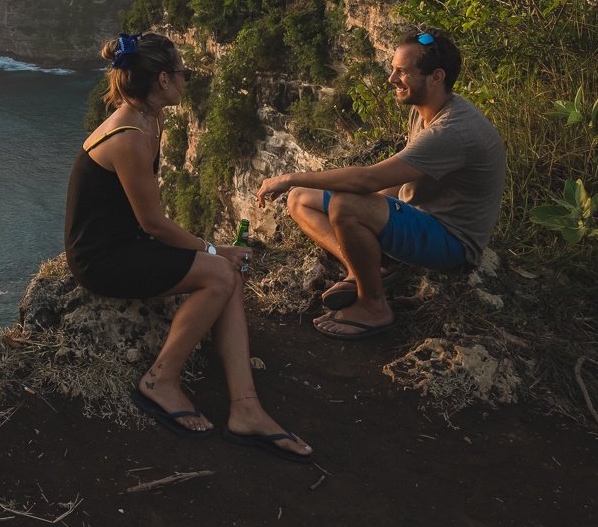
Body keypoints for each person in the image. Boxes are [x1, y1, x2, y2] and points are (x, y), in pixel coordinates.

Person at [66, 31, 312, 462]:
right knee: (220, 272)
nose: (187, 79)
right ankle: (160, 379)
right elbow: (154, 224)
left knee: (226, 276)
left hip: (128, 243)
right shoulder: (129, 135)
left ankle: (246, 409)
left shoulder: (147, 119)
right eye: (184, 73)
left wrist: (214, 254)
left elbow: (147, 223)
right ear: (162, 80)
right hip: (102, 260)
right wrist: (213, 250)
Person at [256, 29, 505, 340]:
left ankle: (374, 306)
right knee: (299, 199)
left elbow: (369, 178)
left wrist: (289, 176)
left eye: (401, 71)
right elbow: (398, 181)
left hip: (451, 241)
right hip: (418, 215)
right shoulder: (425, 109)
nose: (391, 79)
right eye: (393, 69)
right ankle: (365, 271)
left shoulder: (452, 131)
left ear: (436, 77)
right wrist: (367, 204)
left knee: (344, 204)